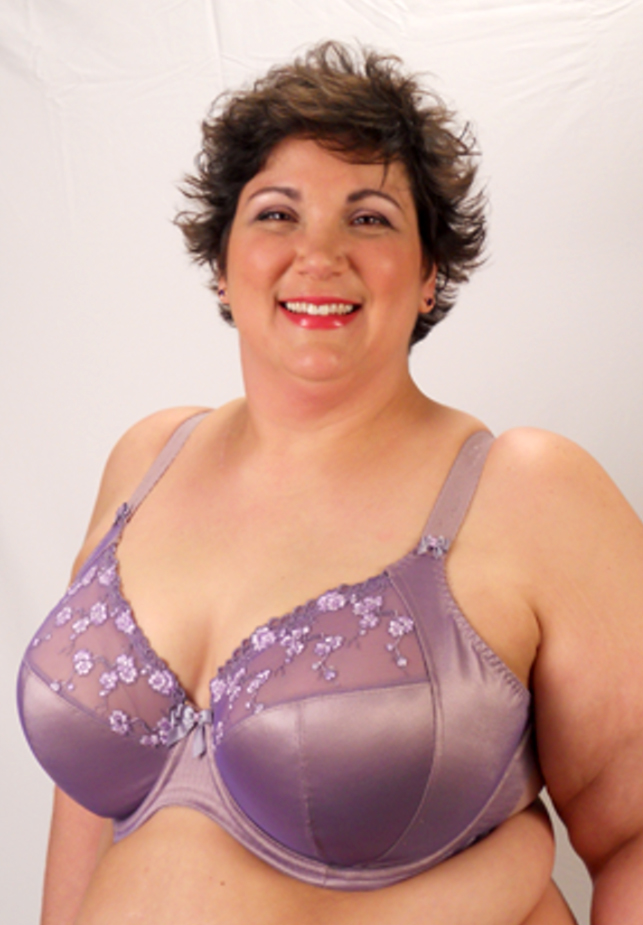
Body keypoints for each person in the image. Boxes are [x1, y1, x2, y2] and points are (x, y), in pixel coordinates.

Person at [17, 41, 643, 925]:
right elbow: (87, 811)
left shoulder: (526, 491)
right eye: (276, 213)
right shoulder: (147, 458)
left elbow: (635, 835)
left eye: (369, 218)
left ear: (428, 275)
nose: (318, 253)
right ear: (222, 263)